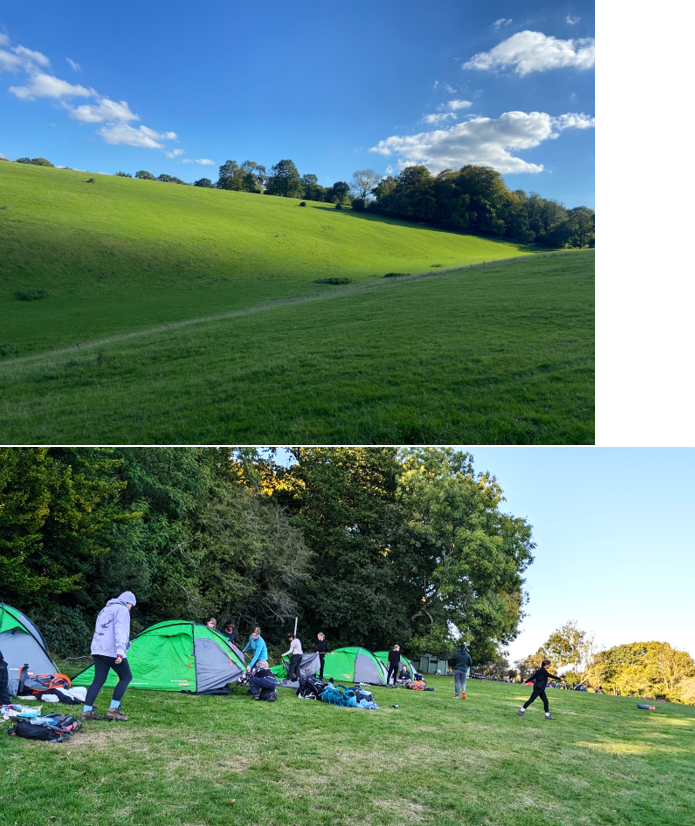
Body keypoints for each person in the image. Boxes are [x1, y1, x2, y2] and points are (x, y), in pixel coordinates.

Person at [82, 591, 136, 722]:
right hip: (112, 650)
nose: (130, 609)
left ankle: (86, 712)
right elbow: (120, 631)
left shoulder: (105, 609)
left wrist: (95, 649)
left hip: (98, 649)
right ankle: (113, 710)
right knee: (126, 677)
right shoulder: (122, 610)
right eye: (131, 606)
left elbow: (99, 630)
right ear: (128, 602)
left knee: (98, 680)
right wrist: (120, 652)